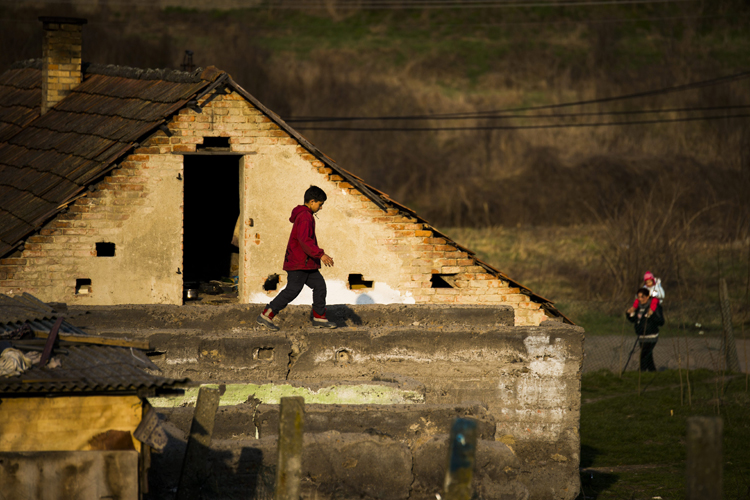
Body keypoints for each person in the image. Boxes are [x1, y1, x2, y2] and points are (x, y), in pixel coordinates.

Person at [257, 186, 337, 331]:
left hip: (307, 264)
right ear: (312, 201)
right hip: (299, 263)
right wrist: (321, 254)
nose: (321, 208)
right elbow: (304, 240)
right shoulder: (305, 217)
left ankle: (319, 317)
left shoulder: (305, 216)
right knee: (292, 290)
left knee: (319, 286)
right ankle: (267, 314)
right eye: (320, 204)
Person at [626, 287, 664, 372]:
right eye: (638, 297)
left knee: (644, 354)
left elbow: (661, 322)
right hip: (641, 336)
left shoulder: (655, 307)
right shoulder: (638, 307)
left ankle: (641, 371)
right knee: (648, 356)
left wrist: (652, 314)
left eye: (642, 297)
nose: (640, 299)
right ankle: (652, 371)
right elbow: (634, 320)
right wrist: (629, 314)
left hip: (652, 335)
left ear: (647, 297)